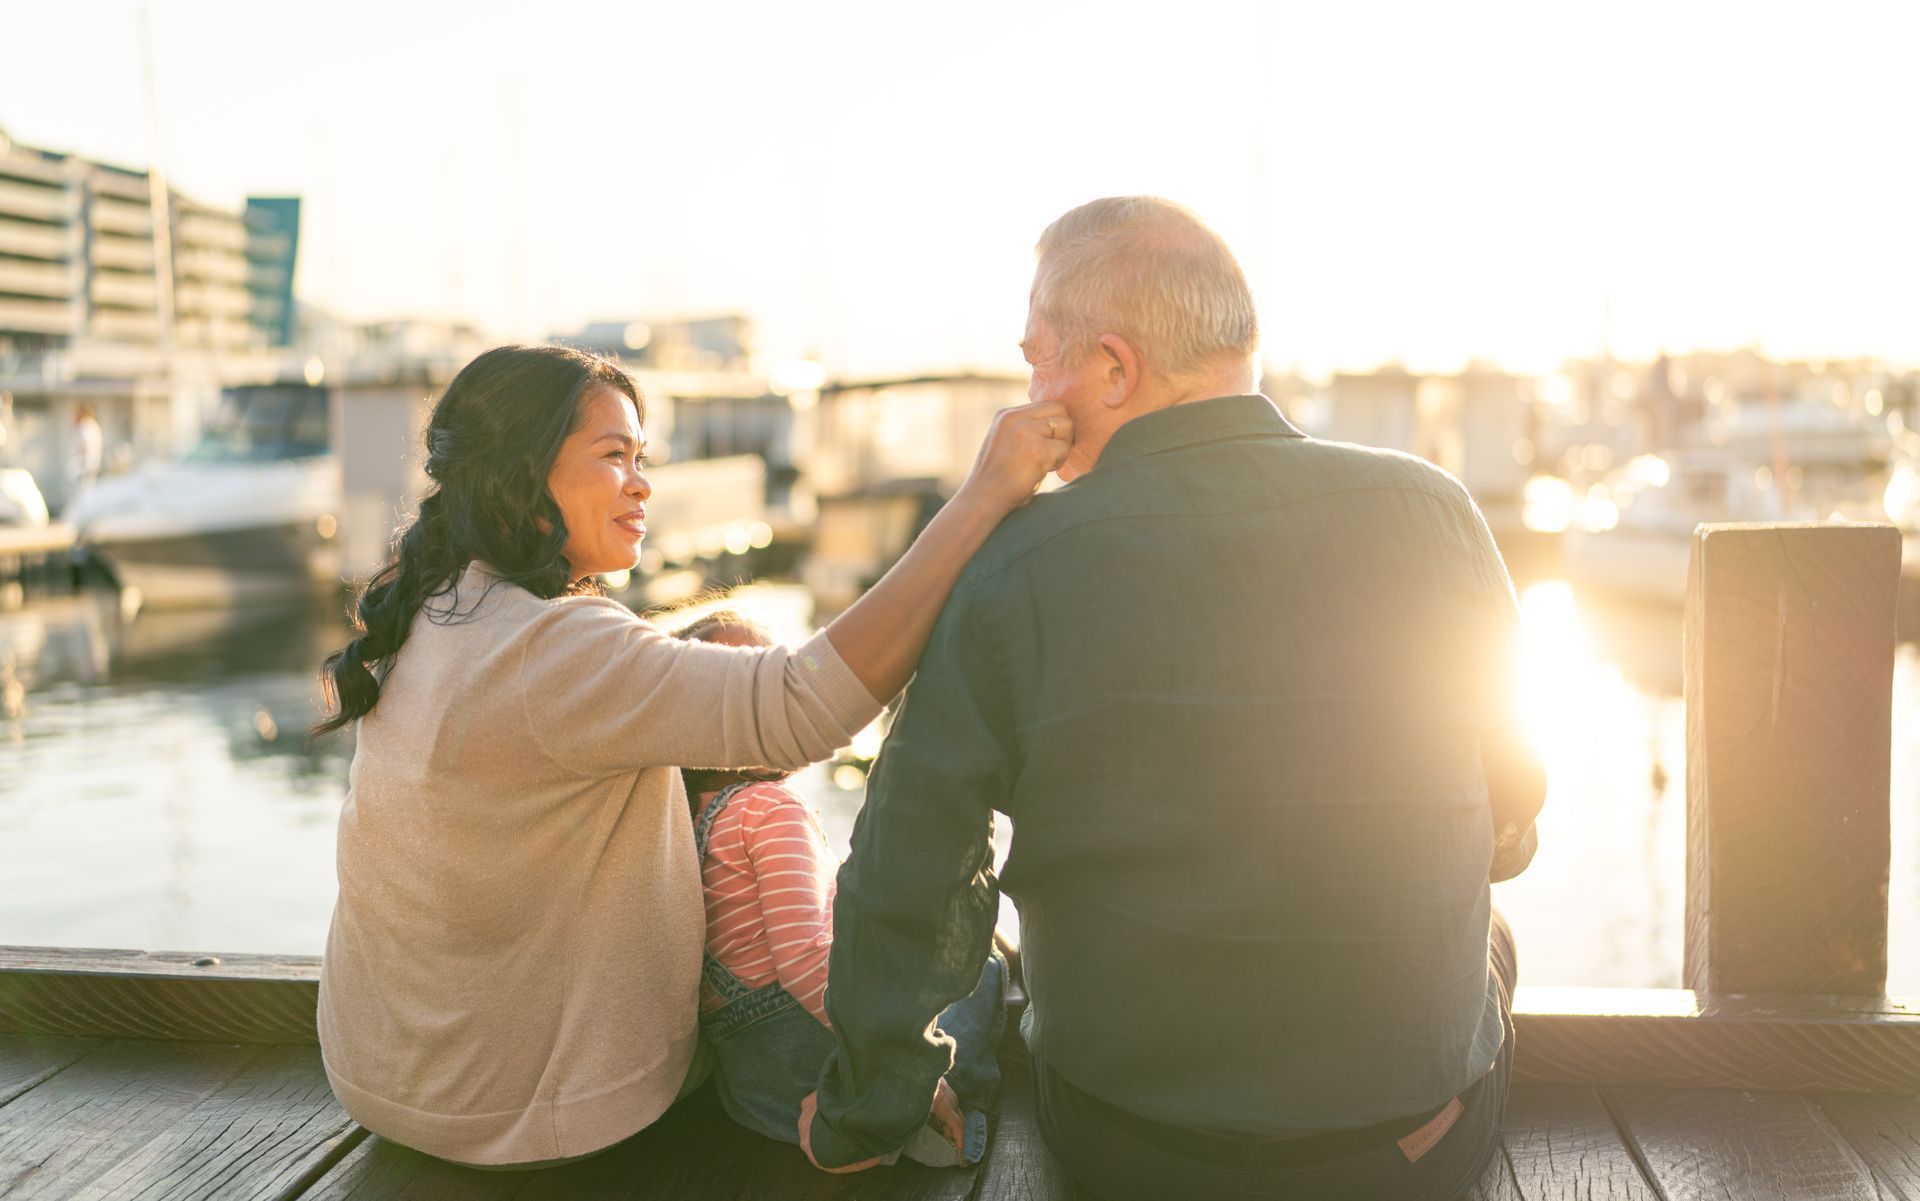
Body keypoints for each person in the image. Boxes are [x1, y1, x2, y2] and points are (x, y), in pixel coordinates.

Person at [802, 198, 1547, 1198]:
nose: (1028, 395)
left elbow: (911, 874)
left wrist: (865, 1111)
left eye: (1040, 360)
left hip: (1138, 1150)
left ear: (1114, 369)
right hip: (1412, 1151)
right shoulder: (1435, 508)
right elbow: (1512, 811)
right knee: (1491, 932)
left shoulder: (1014, 565)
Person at [312, 343, 1069, 1168]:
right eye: (612, 456)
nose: (641, 482)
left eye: (643, 458)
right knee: (975, 976)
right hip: (529, 1113)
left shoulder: (431, 610)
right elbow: (801, 708)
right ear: (522, 474)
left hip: (387, 1080)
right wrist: (985, 496)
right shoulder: (550, 645)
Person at [672, 610, 1005, 1167]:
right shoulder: (767, 808)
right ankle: (922, 1107)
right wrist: (902, 1065)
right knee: (982, 969)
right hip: (817, 1061)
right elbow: (805, 960)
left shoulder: (680, 820)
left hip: (753, 1092)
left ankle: (869, 1129)